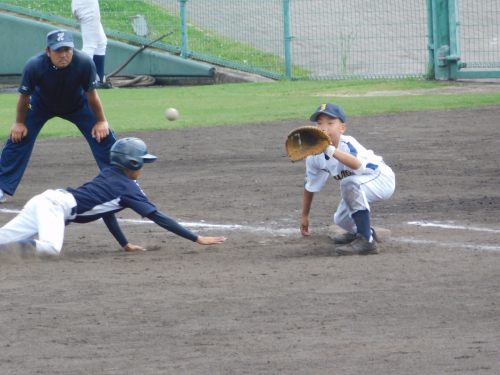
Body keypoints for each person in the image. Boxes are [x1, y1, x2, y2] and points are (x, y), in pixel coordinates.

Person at [0, 137, 227, 257]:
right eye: (142, 161)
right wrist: (197, 238)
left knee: (4, 239)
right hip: (55, 208)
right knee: (50, 249)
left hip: (45, 200)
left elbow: (108, 212)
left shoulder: (110, 174)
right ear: (132, 162)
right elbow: (158, 217)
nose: (143, 165)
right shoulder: (128, 188)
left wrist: (124, 243)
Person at [0, 29, 117, 204]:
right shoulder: (35, 65)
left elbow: (92, 95)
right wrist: (19, 123)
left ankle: (120, 181)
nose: (63, 55)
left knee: (103, 134)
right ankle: (1, 185)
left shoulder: (84, 62)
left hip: (77, 103)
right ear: (48, 51)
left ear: (73, 49)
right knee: (18, 137)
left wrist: (101, 121)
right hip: (40, 104)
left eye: (67, 50)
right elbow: (24, 97)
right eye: (57, 50)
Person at [300, 103, 396, 256]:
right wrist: (305, 216)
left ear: (342, 128)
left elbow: (356, 165)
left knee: (349, 182)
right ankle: (363, 231)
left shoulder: (348, 143)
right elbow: (310, 185)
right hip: (360, 183)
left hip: (381, 179)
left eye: (330, 123)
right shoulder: (314, 156)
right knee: (341, 219)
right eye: (319, 123)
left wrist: (330, 150)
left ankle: (367, 242)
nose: (324, 127)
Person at [72, 0, 111, 88]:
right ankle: (81, 81)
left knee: (101, 42)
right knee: (89, 46)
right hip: (87, 5)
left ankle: (98, 79)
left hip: (84, 5)